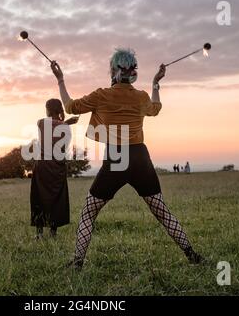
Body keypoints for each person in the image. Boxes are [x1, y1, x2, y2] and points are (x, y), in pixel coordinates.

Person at [50, 48, 204, 269]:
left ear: (113, 71)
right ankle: (192, 256)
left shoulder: (101, 95)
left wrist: (61, 80)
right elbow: (156, 109)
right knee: (162, 211)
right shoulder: (141, 97)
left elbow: (70, 106)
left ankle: (77, 263)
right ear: (133, 73)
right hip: (140, 156)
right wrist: (155, 83)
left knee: (88, 213)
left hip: (117, 157)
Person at [30, 98, 79, 240]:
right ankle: (53, 233)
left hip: (42, 166)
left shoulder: (42, 123)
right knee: (57, 198)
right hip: (58, 166)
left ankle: (39, 234)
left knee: (39, 197)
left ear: (48, 109)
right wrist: (67, 122)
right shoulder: (65, 127)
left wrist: (66, 122)